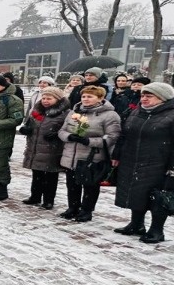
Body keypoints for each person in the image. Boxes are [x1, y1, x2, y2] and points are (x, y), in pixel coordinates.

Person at [112, 82, 174, 243]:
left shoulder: (171, 115)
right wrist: (117, 154)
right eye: (143, 95)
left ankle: (157, 230)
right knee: (136, 192)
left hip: (158, 163)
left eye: (149, 96)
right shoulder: (137, 112)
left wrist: (172, 168)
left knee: (157, 197)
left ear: (163, 98)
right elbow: (124, 135)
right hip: (132, 159)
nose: (144, 99)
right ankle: (136, 224)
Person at [57, 86, 121, 222]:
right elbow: (62, 130)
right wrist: (69, 136)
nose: (85, 99)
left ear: (100, 98)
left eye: (90, 96)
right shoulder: (74, 112)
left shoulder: (109, 115)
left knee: (90, 185)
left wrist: (89, 141)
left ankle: (86, 210)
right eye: (84, 96)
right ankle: (73, 207)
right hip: (71, 155)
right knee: (72, 184)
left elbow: (112, 137)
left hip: (92, 156)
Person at [19, 86, 70, 209]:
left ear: (58, 99)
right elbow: (30, 123)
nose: (45, 101)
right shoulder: (37, 110)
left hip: (53, 149)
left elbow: (68, 129)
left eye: (49, 98)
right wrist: (26, 129)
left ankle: (48, 200)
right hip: (35, 147)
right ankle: (35, 196)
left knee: (50, 176)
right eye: (44, 98)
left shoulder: (65, 113)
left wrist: (57, 134)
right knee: (37, 173)